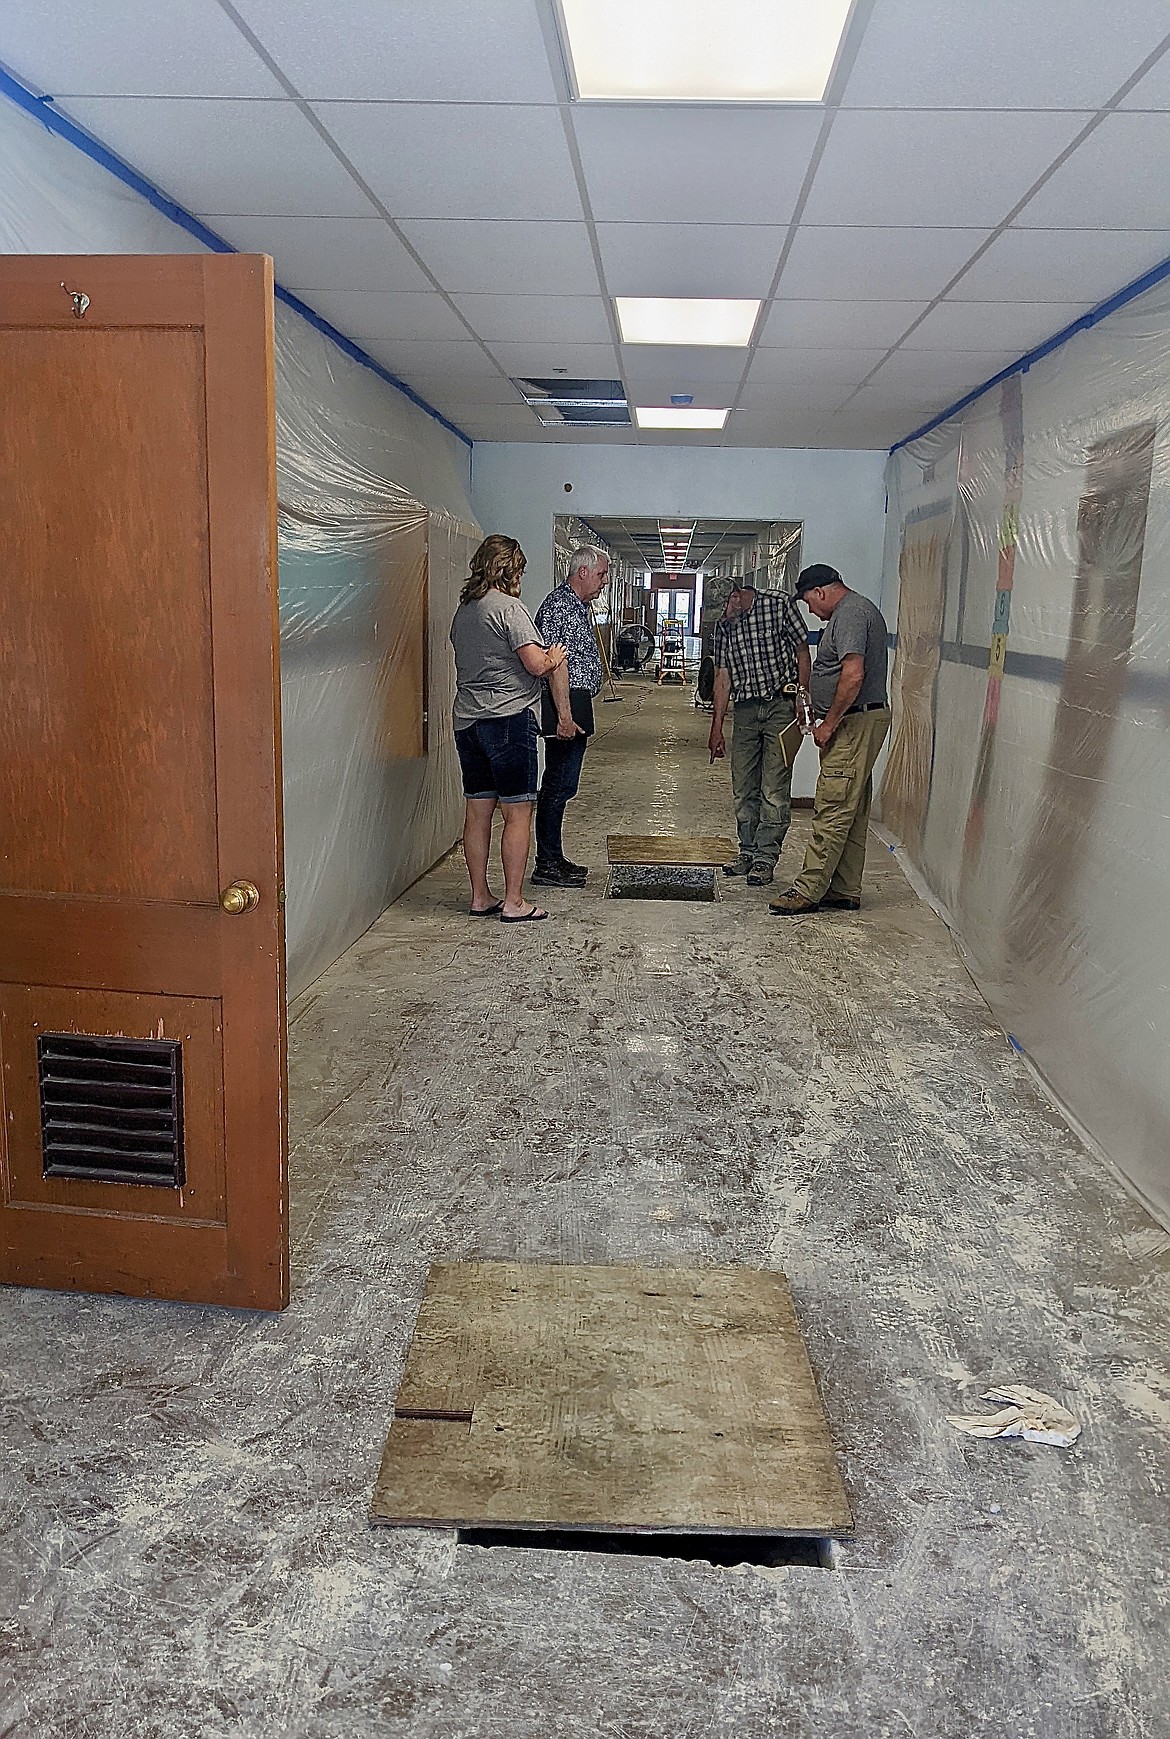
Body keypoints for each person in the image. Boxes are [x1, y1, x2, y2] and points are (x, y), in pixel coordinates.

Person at [449, 534, 567, 923]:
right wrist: (554, 658)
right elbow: (534, 665)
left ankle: (480, 895)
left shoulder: (464, 612)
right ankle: (515, 901)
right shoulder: (510, 609)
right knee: (518, 813)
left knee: (478, 810)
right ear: (511, 569)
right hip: (508, 720)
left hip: (468, 722)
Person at [769, 563, 891, 916]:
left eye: (809, 601)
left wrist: (829, 723)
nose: (810, 609)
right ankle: (844, 888)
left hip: (853, 722)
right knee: (851, 809)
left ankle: (808, 890)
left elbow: (853, 675)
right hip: (859, 720)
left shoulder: (851, 614)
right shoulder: (853, 611)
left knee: (832, 807)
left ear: (821, 592)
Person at [708, 580, 810, 887]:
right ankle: (747, 851)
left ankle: (766, 857)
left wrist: (803, 698)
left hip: (781, 705)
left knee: (774, 789)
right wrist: (716, 729)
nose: (722, 618)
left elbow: (803, 650)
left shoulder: (778, 605)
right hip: (746, 710)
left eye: (724, 610)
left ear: (737, 597)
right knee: (743, 786)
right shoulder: (724, 627)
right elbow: (723, 677)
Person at [531, 546, 610, 888]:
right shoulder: (559, 607)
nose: (604, 582)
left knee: (564, 784)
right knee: (556, 784)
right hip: (562, 702)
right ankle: (546, 862)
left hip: (575, 700)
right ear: (582, 572)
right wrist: (563, 715)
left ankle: (554, 857)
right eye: (601, 574)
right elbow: (553, 664)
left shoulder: (577, 607)